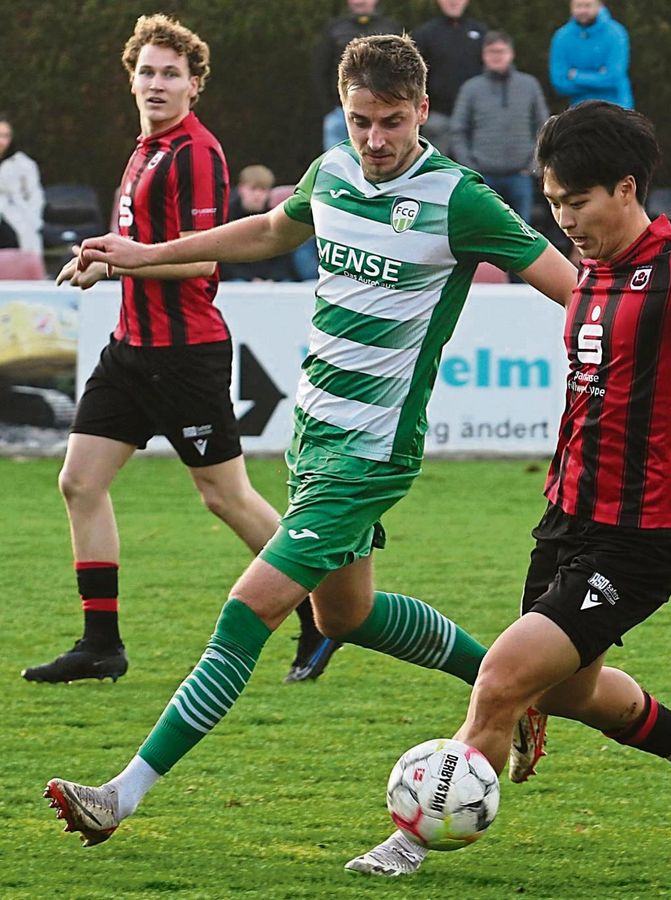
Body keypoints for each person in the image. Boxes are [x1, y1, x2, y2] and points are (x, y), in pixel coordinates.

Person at [41, 33, 577, 849]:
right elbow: (265, 234)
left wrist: (631, 349)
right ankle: (508, 687)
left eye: (392, 122)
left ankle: (122, 794)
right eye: (361, 121)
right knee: (349, 615)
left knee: (246, 610)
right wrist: (144, 258)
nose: (375, 140)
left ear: (423, 112)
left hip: (368, 457)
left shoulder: (458, 199)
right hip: (313, 439)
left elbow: (571, 286)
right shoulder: (332, 173)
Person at [348, 100, 671, 876]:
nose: (565, 221)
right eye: (553, 204)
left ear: (625, 188)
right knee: (560, 692)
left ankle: (412, 839)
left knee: (502, 679)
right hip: (564, 519)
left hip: (638, 536)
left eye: (576, 203)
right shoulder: (588, 271)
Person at [22, 14, 337, 687]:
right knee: (79, 481)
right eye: (147, 72)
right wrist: (102, 266)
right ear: (131, 80)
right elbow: (138, 252)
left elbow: (198, 265)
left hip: (184, 353)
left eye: (171, 74)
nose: (157, 84)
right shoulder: (144, 150)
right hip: (130, 350)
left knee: (226, 497)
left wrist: (123, 262)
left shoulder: (196, 155)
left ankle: (320, 612)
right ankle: (100, 644)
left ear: (195, 85)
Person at [449, 30, 549, 226]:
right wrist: (470, 167)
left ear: (511, 54)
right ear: (484, 55)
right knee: (482, 229)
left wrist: (532, 165)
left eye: (501, 51)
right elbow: (458, 130)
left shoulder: (529, 85)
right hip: (484, 176)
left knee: (524, 233)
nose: (497, 56)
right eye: (491, 52)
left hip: (520, 175)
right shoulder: (471, 88)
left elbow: (543, 126)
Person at [315, 0, 400, 151]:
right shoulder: (334, 29)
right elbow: (321, 70)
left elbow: (402, 71)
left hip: (382, 110)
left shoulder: (391, 28)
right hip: (340, 112)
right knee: (336, 167)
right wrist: (329, 108)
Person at [413, 0, 487, 155]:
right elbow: (415, 77)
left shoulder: (480, 32)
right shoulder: (425, 34)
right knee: (436, 171)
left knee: (471, 173)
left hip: (473, 120)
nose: (453, 2)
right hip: (438, 117)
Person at [549, 0, 633, 109]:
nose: (583, 10)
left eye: (588, 5)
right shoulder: (561, 37)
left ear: (599, 6)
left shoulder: (616, 33)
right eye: (578, 6)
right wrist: (599, 76)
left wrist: (576, 76)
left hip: (617, 107)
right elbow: (560, 83)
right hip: (579, 110)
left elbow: (614, 77)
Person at [0, 113, 45, 253]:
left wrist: (33, 221)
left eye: (6, 136)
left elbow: (35, 195)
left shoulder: (23, 164)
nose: (1, 140)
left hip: (17, 219)